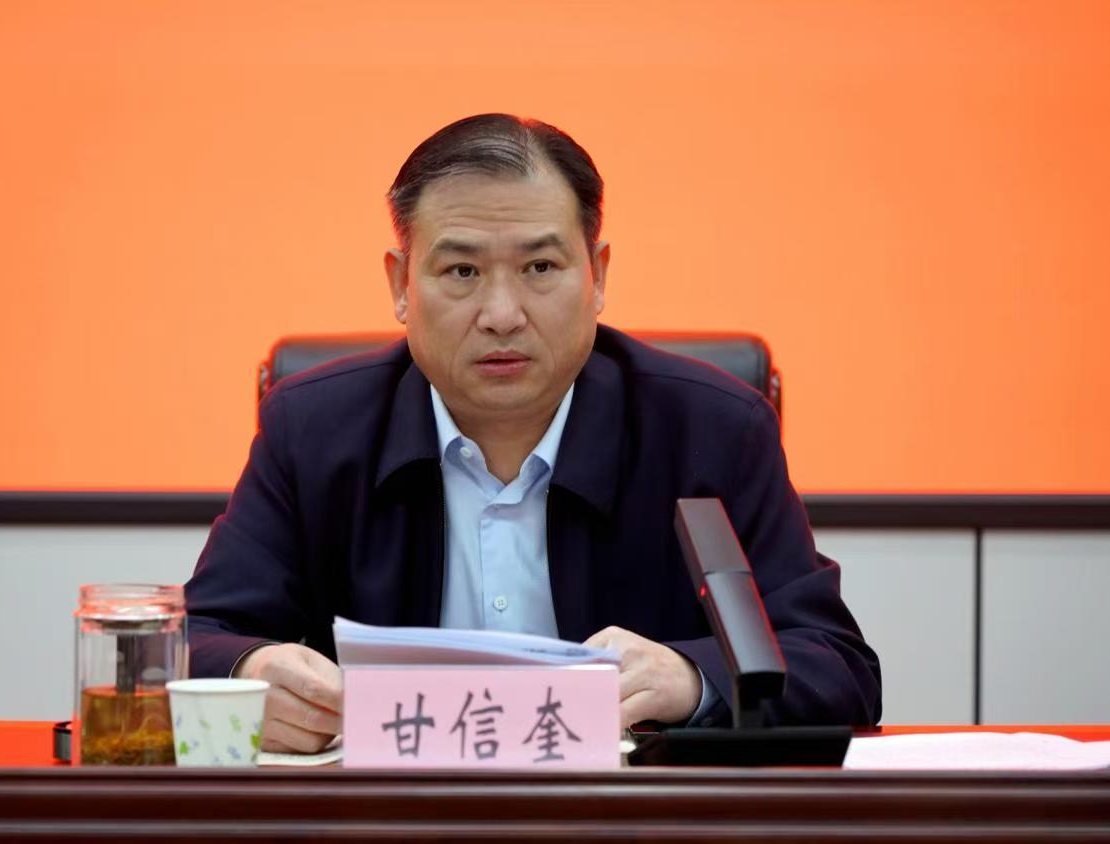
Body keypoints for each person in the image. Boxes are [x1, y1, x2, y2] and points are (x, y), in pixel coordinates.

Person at [185, 113, 882, 753]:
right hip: (391, 819)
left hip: (629, 825)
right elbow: (191, 641)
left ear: (597, 276)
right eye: (461, 271)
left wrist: (691, 679)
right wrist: (252, 672)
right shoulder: (312, 429)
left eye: (540, 268)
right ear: (400, 285)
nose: (501, 313)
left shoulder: (713, 430)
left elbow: (836, 664)